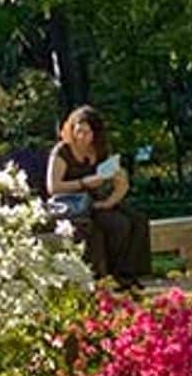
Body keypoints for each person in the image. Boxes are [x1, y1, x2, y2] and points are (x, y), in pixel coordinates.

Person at [47, 105, 151, 287]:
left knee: (138, 220)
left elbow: (121, 181)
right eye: (79, 131)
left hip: (97, 201)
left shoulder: (100, 150)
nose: (82, 137)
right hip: (73, 205)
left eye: (88, 133)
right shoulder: (62, 151)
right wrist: (84, 183)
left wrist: (109, 202)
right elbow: (53, 187)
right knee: (119, 225)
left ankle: (132, 273)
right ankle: (116, 276)